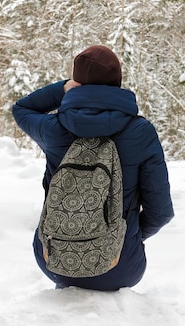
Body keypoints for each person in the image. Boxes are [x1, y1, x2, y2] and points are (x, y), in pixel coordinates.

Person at [12, 45, 174, 291]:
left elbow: (21, 109)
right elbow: (160, 212)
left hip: (53, 260)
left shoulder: (53, 127)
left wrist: (62, 89)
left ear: (77, 82)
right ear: (117, 81)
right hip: (121, 266)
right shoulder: (141, 132)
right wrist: (125, 237)